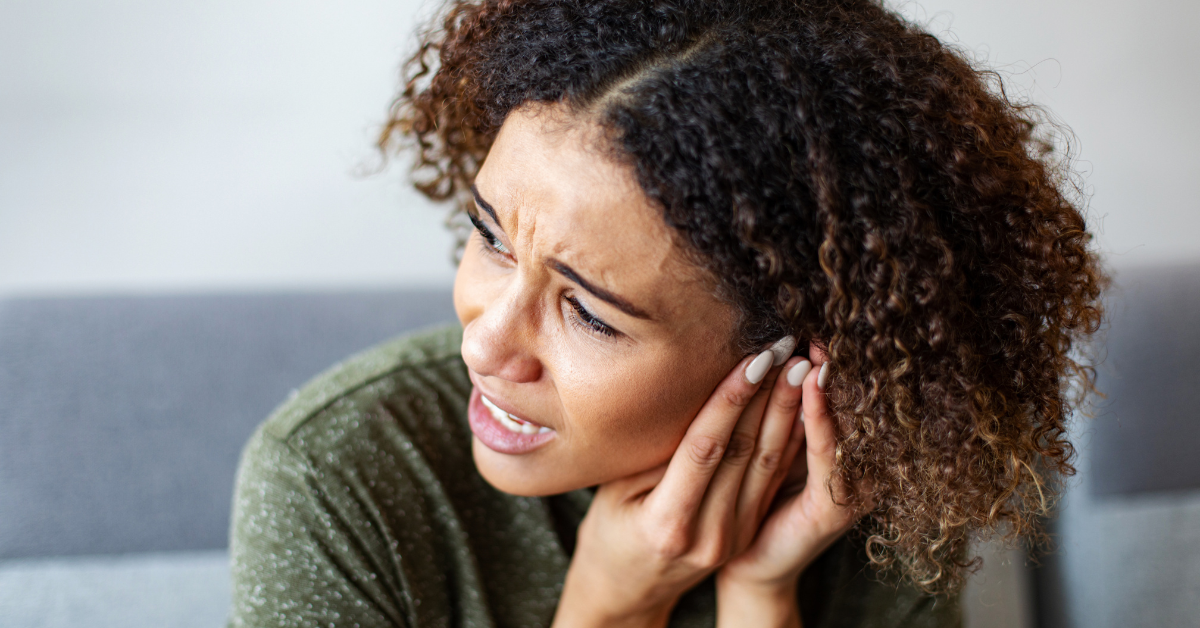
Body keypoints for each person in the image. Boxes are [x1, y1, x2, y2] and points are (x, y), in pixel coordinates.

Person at [227, 1, 1106, 626]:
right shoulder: (337, 478)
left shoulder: (867, 493)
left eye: (591, 315)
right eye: (492, 240)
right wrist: (612, 607)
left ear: (791, 356)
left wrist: (762, 598)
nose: (486, 342)